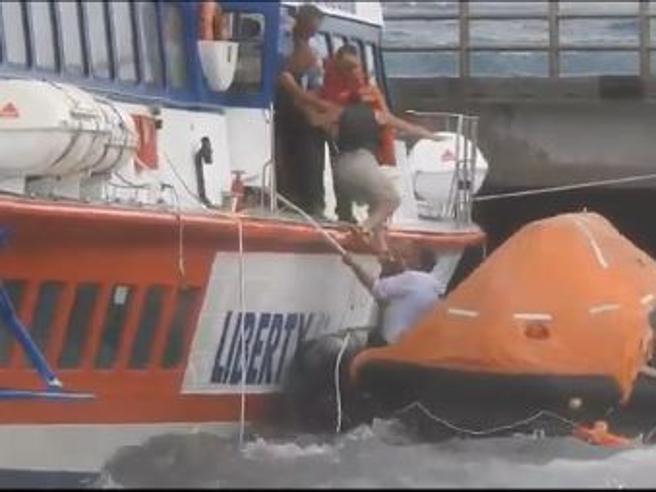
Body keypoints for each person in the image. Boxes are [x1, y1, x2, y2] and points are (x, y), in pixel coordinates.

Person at [274, 5, 335, 218]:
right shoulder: (284, 39)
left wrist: (319, 110)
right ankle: (290, 196)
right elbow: (285, 78)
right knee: (292, 147)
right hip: (284, 106)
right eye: (311, 27)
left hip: (306, 104)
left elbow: (316, 82)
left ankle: (315, 202)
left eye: (316, 28)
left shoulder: (315, 46)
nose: (313, 32)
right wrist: (317, 107)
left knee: (316, 144)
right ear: (301, 21)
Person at [342, 247, 444, 347]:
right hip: (413, 346)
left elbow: (376, 288)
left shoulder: (412, 278)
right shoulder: (436, 284)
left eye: (412, 256)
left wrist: (353, 264)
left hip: (392, 345)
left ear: (419, 263)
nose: (407, 258)